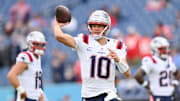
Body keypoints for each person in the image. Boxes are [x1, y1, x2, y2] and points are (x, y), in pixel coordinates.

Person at [54, 10, 131, 101]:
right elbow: (60, 36)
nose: (96, 28)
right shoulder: (84, 41)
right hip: (89, 96)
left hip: (108, 94)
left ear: (106, 27)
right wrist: (56, 24)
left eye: (99, 26)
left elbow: (127, 74)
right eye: (93, 25)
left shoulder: (117, 45)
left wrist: (118, 61)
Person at [134, 37, 180, 101]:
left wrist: (174, 84)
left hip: (170, 94)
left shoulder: (169, 60)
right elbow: (137, 75)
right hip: (156, 95)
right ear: (155, 49)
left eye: (167, 48)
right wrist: (147, 85)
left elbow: (177, 73)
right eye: (163, 48)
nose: (166, 50)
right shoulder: (151, 61)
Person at [7, 31, 47, 101]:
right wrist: (21, 90)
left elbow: (35, 80)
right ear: (30, 44)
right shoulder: (26, 56)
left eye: (42, 45)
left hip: (35, 98)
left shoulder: (38, 58)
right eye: (37, 44)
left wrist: (40, 92)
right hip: (26, 98)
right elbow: (11, 75)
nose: (40, 47)